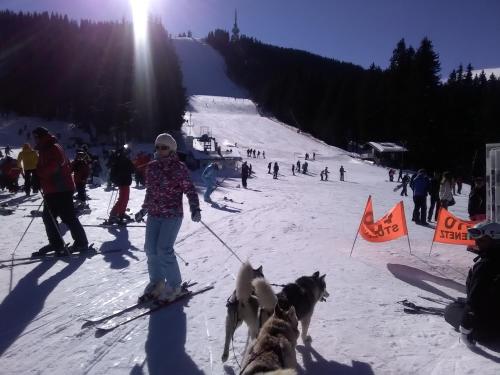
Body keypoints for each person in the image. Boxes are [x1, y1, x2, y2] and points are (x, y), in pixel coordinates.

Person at [136, 133, 201, 302]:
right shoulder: (152, 167)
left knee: (164, 250)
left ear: (171, 149)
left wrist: (195, 208)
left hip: (172, 215)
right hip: (154, 214)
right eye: (157, 146)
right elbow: (150, 192)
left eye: (164, 147)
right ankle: (157, 282)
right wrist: (144, 209)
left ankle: (175, 286)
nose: (160, 150)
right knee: (150, 249)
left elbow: (190, 190)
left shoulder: (179, 168)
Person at [30, 127, 88, 255]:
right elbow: (43, 167)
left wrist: (38, 174)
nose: (34, 139)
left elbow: (55, 166)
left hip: (61, 188)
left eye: (35, 136)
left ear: (41, 136)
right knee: (48, 218)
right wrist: (36, 176)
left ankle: (81, 243)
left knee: (68, 216)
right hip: (51, 189)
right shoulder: (44, 150)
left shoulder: (54, 147)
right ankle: (56, 243)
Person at [445, 222, 500, 347]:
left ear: (495, 238)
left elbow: (474, 302)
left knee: (450, 309)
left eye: (482, 240)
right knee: (462, 303)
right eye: (476, 239)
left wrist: (465, 330)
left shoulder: (485, 265)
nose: (477, 243)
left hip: (488, 330)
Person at [108, 146, 135, 223]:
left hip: (123, 182)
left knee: (124, 199)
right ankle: (113, 214)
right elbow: (132, 169)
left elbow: (131, 169)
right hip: (123, 182)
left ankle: (121, 213)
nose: (128, 154)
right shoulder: (124, 160)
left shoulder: (120, 159)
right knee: (122, 199)